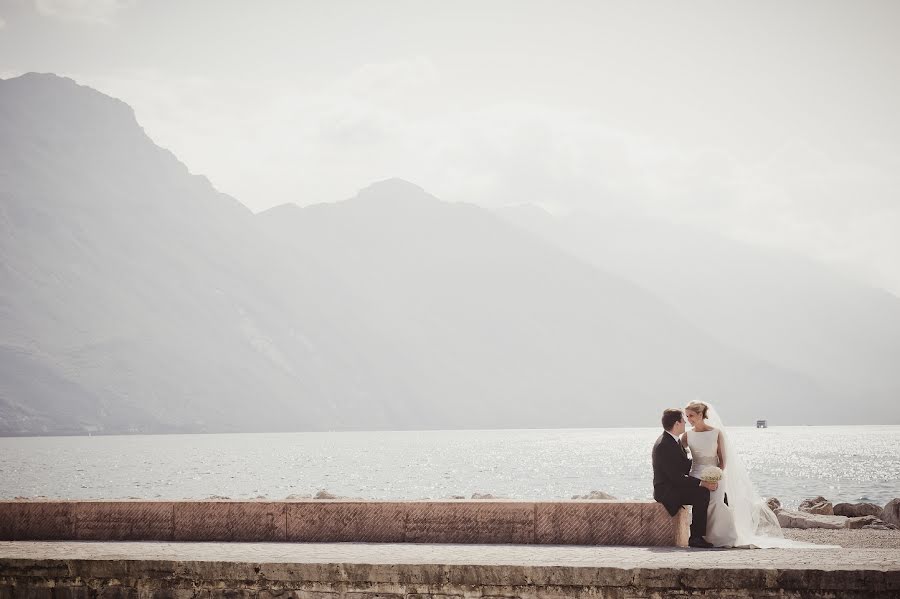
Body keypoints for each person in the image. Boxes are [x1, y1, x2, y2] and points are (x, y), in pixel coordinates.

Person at [682, 400, 795, 548]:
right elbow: (680, 457)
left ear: (700, 414)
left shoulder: (716, 433)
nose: (688, 419)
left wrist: (716, 476)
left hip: (716, 475)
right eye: (686, 416)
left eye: (691, 415)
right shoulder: (687, 436)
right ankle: (699, 538)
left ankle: (720, 538)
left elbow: (722, 460)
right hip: (696, 476)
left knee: (716, 502)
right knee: (701, 503)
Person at [652, 408, 719, 548]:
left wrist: (706, 465)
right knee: (702, 493)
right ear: (676, 424)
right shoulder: (664, 445)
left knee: (713, 494)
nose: (685, 423)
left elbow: (683, 465)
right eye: (683, 420)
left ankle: (707, 533)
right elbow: (676, 477)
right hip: (667, 491)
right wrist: (702, 483)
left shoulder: (673, 440)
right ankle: (695, 537)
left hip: (674, 485)